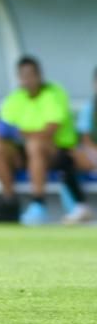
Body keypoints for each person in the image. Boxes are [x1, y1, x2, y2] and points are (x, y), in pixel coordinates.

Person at [0, 56, 88, 225]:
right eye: (23, 76)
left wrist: (18, 133)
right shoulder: (15, 98)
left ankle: (38, 203)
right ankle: (9, 202)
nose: (27, 80)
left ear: (39, 75)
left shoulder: (54, 93)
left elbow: (49, 131)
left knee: (35, 146)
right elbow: (0, 130)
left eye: (30, 75)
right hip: (23, 152)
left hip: (57, 152)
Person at [68, 66, 97, 223]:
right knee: (67, 160)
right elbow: (85, 139)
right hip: (94, 155)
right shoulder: (89, 108)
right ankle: (80, 207)